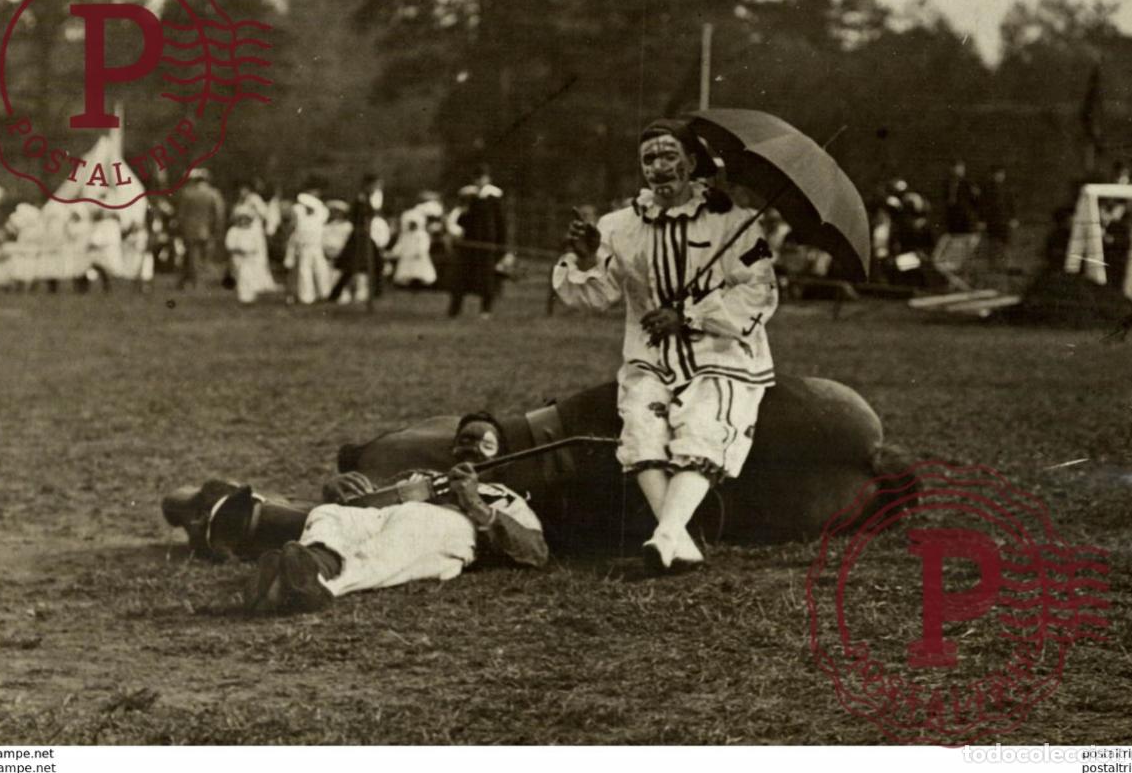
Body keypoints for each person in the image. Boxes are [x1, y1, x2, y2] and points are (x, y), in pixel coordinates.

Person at [552, 119, 778, 574]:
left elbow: (761, 289)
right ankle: (678, 540)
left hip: (721, 354)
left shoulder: (733, 223)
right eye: (649, 159)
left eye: (668, 155)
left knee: (703, 425)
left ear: (692, 163)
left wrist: (691, 315)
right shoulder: (620, 226)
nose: (658, 167)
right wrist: (590, 257)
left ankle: (666, 534)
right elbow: (599, 295)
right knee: (640, 428)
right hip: (651, 359)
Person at [244, 413, 547, 613]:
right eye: (464, 441)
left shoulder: (506, 498)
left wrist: (476, 505)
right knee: (330, 514)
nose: (473, 449)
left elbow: (536, 551)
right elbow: (363, 506)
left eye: (486, 444)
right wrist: (339, 490)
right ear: (453, 450)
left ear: (503, 460)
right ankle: (312, 566)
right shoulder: (419, 477)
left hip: (444, 529)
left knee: (411, 527)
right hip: (392, 515)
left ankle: (317, 587)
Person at [448, 166, 506, 318]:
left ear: (488, 179)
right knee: (461, 276)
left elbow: (500, 223)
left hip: (487, 243)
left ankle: (485, 310)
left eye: (483, 177)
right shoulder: (468, 196)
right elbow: (459, 219)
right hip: (469, 242)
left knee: (487, 278)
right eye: (477, 178)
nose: (480, 181)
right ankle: (455, 309)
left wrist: (501, 245)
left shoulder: (494, 197)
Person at [332, 174, 381, 305]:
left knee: (375, 263)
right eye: (374, 186)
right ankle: (336, 293)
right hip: (359, 236)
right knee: (351, 266)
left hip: (365, 234)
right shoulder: (361, 199)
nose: (375, 188)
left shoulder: (369, 199)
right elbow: (354, 216)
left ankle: (375, 292)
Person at [175, 169, 224, 289]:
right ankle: (193, 281)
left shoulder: (187, 193)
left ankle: (195, 282)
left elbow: (181, 214)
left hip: (189, 229)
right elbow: (219, 213)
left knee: (193, 256)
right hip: (207, 229)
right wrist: (218, 229)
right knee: (204, 256)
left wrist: (180, 228)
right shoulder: (214, 193)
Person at [284, 192, 331, 305]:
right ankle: (307, 297)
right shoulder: (301, 219)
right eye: (306, 207)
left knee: (321, 270)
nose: (308, 209)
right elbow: (295, 235)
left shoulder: (319, 217)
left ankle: (325, 294)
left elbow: (324, 211)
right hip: (304, 249)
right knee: (304, 272)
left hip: (317, 248)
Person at [979, 165, 1017, 271]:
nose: (999, 176)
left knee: (1007, 243)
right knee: (992, 243)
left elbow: (1012, 204)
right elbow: (982, 205)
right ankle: (993, 265)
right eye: (997, 174)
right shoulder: (986, 188)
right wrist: (982, 220)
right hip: (992, 220)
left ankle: (1008, 265)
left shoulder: (1007, 188)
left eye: (1001, 174)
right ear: (992, 175)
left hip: (1004, 220)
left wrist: (1013, 218)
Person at [225, 207, 265, 304]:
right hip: (238, 257)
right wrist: (237, 249)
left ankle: (249, 295)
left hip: (250, 257)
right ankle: (243, 295)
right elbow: (229, 244)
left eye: (246, 219)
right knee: (241, 275)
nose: (243, 222)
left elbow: (258, 245)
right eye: (241, 219)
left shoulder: (254, 231)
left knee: (248, 275)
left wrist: (250, 250)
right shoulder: (233, 230)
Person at [389, 209, 437, 288]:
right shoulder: (405, 235)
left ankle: (420, 284)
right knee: (405, 273)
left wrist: (421, 251)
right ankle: (407, 283)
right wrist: (394, 252)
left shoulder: (421, 234)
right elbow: (400, 245)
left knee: (421, 272)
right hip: (407, 256)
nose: (411, 225)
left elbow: (424, 245)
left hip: (418, 256)